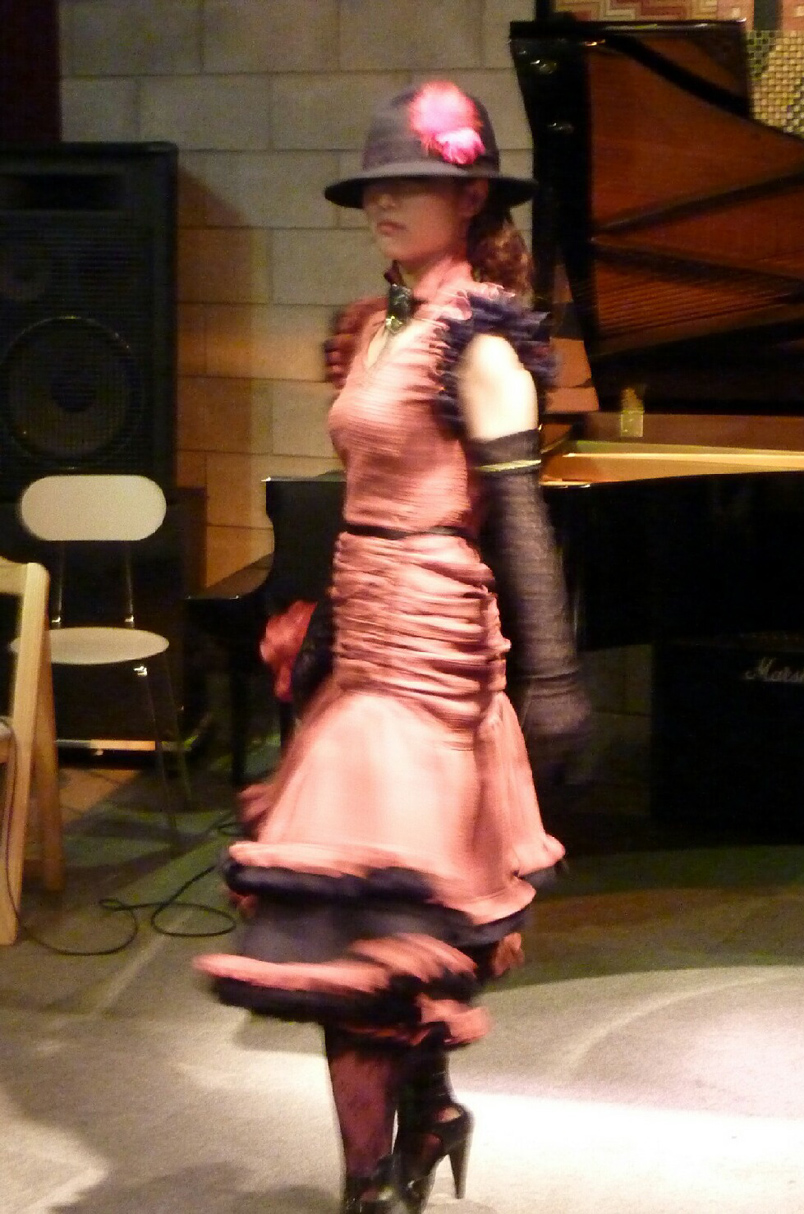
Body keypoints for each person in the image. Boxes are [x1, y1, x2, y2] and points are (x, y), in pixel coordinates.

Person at [196, 81, 592, 1213]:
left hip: (430, 638)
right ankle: (430, 1115)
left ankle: (368, 1186)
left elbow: (518, 517)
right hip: (367, 623)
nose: (384, 200)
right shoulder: (380, 324)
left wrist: (555, 676)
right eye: (375, 184)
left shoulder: (479, 336)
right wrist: (325, 622)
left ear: (470, 198)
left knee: (354, 924)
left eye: (411, 182)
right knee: (386, 908)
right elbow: (361, 494)